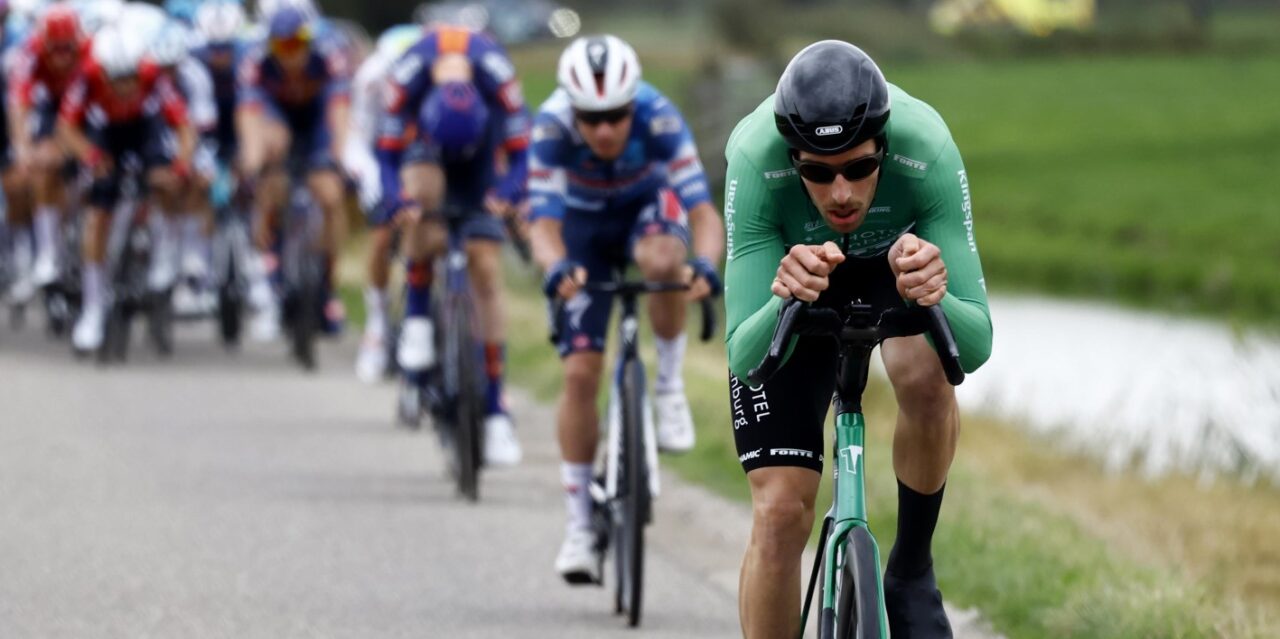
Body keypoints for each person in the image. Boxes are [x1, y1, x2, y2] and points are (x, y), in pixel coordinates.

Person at [722, 41, 994, 638]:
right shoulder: (752, 156)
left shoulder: (927, 146)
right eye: (817, 173)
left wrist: (935, 292)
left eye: (860, 167)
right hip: (796, 280)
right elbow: (745, 355)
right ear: (793, 158)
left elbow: (973, 347)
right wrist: (783, 297)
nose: (841, 192)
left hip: (892, 268)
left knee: (925, 375)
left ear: (885, 149)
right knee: (779, 514)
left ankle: (912, 568)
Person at [529, 35, 724, 584]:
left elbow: (703, 213)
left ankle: (667, 384)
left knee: (664, 261)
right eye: (592, 118)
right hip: (583, 230)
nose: (606, 129)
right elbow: (540, 221)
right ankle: (579, 526)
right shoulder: (550, 127)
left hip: (647, 212)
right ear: (572, 110)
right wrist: (553, 267)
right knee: (580, 373)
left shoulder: (660, 118)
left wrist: (706, 266)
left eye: (617, 115)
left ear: (633, 103)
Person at [377, 23, 530, 464]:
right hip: (427, 154)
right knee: (421, 202)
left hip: (483, 157)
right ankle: (419, 321)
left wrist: (506, 194)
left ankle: (496, 407)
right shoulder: (407, 79)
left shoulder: (498, 79)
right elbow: (386, 156)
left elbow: (523, 156)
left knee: (485, 265)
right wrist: (398, 200)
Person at [59, 24, 195, 352]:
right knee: (97, 217)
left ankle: (162, 257)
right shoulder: (87, 76)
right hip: (104, 133)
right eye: (115, 79)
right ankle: (92, 309)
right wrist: (89, 156)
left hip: (143, 131)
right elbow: (67, 127)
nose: (124, 86)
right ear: (103, 73)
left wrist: (179, 166)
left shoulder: (154, 77)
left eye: (130, 77)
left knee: (167, 182)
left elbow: (183, 127)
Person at [236, 5, 352, 338]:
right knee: (272, 156)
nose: (291, 55)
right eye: (282, 47)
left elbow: (339, 109)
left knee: (330, 195)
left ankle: (326, 282)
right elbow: (249, 115)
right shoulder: (255, 60)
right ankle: (270, 273)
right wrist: (253, 161)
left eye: (297, 45)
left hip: (317, 120)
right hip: (278, 119)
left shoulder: (330, 53)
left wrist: (339, 156)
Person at [345, 23, 420, 384]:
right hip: (380, 155)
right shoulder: (371, 78)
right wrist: (374, 183)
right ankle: (376, 323)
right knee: (381, 235)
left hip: (422, 155)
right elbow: (356, 138)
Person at [7, 4, 90, 295]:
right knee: (42, 164)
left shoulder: (92, 52)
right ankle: (47, 251)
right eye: (55, 50)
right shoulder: (29, 52)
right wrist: (22, 148)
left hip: (87, 108)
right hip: (51, 107)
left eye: (68, 49)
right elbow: (19, 103)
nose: (62, 58)